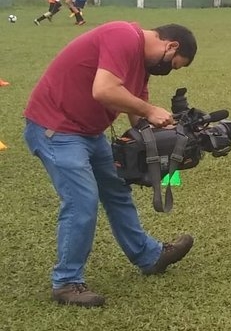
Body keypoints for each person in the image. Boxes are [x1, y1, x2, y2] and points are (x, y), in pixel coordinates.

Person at [23, 22, 199, 306]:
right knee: (82, 200)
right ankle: (66, 282)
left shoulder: (140, 64)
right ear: (171, 46)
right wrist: (151, 111)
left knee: (118, 190)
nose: (169, 70)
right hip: (56, 129)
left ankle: (150, 256)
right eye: (174, 65)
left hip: (88, 133)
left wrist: (171, 138)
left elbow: (137, 111)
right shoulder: (122, 36)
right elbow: (104, 91)